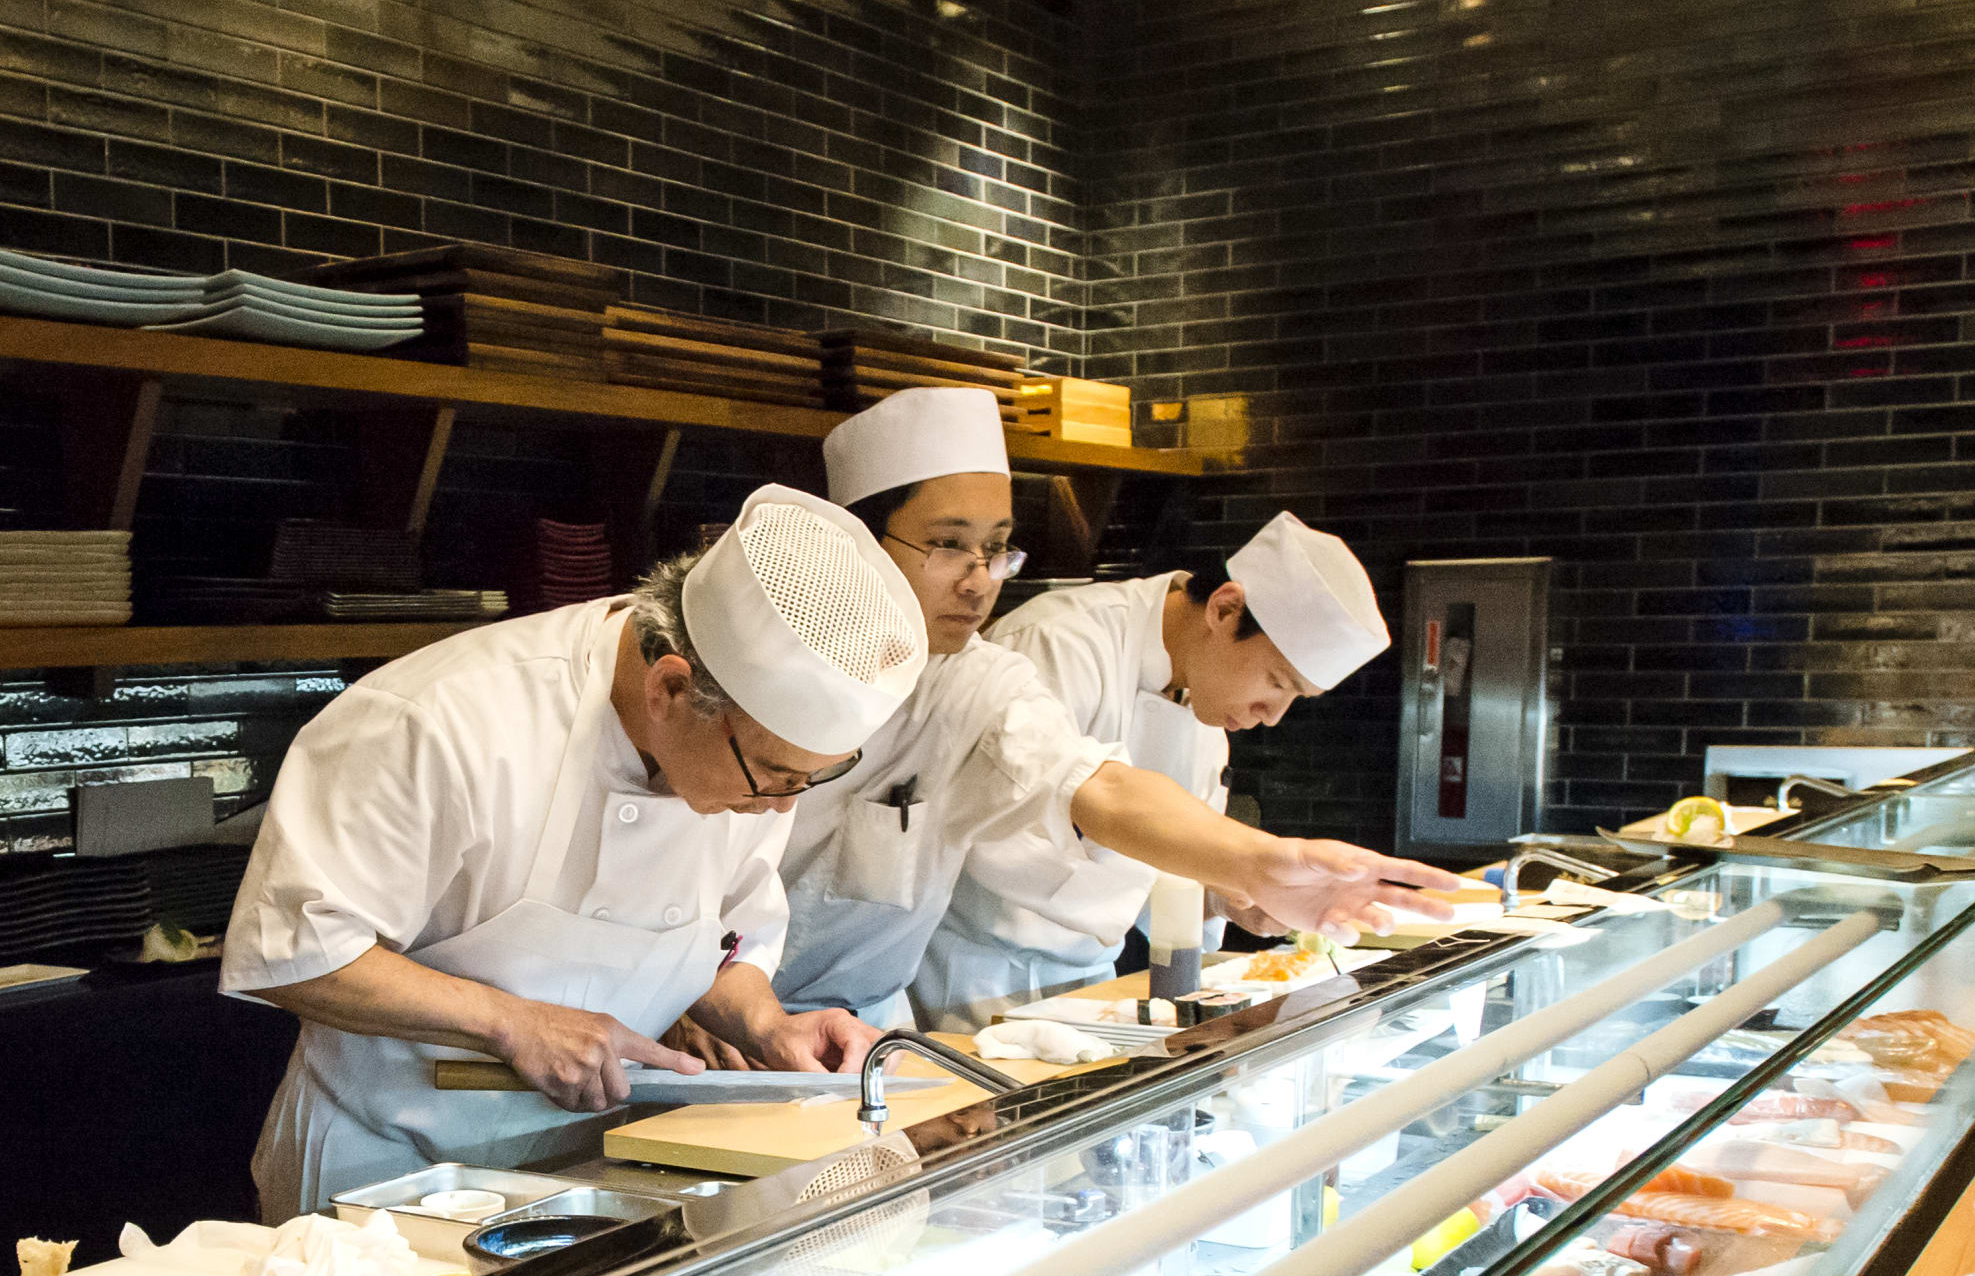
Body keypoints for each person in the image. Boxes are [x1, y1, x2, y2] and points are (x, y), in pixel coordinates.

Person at [223, 485, 927, 1220]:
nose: (783, 806)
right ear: (670, 687)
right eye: (776, 778)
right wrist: (511, 1022)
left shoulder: (748, 746)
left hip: (602, 1163)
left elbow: (713, 937)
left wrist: (767, 1025)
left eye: (812, 779)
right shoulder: (439, 721)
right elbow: (296, 953)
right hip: (382, 1168)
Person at [756, 391, 1466, 1037]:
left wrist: (1251, 870)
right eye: (948, 544)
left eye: (998, 548)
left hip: (863, 1028)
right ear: (852, 540)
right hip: (812, 1009)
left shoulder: (976, 678)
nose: (979, 582)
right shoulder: (749, 659)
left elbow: (1094, 785)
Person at [916, 506, 1403, 1019]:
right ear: (1224, 609)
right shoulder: (1059, 641)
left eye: (1296, 698)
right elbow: (1022, 837)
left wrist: (1228, 896)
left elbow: (1169, 871)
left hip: (1092, 988)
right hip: (969, 979)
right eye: (1277, 682)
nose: (1273, 716)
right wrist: (1250, 864)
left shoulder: (1207, 694)